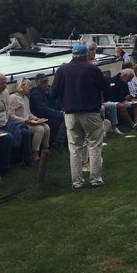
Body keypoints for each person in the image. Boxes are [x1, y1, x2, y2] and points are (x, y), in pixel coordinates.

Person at [50, 44, 110, 190]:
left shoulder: (62, 70)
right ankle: (96, 180)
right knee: (94, 146)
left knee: (75, 149)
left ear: (72, 54)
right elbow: (105, 86)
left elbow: (53, 93)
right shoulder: (92, 69)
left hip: (70, 114)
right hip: (91, 113)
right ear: (85, 55)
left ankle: (77, 183)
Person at [8, 78, 50, 164]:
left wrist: (36, 119)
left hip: (28, 121)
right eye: (29, 86)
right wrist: (25, 120)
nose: (31, 88)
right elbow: (10, 115)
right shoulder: (13, 98)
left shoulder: (25, 98)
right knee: (39, 129)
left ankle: (45, 149)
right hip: (19, 124)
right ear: (23, 87)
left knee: (46, 126)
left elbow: (29, 113)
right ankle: (35, 153)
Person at [29, 73, 66, 148]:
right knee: (65, 119)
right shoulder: (35, 94)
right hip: (42, 117)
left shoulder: (47, 91)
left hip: (51, 113)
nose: (46, 83)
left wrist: (49, 93)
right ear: (37, 83)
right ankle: (58, 143)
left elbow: (56, 104)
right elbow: (44, 110)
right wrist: (60, 114)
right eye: (43, 82)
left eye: (46, 81)